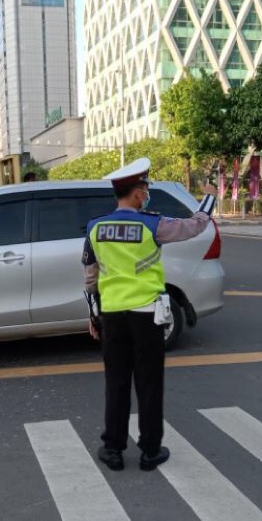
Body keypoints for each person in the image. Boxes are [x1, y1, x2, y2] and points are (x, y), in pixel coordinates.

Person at [82, 157, 216, 472]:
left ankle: (113, 449)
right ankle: (150, 451)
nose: (146, 193)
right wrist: (209, 198)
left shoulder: (95, 227)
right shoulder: (152, 225)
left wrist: (93, 315)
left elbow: (90, 275)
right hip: (147, 317)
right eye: (145, 188)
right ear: (138, 193)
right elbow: (194, 226)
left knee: (116, 383)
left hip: (113, 315)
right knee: (149, 383)